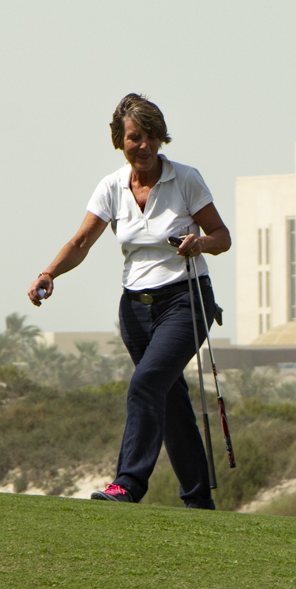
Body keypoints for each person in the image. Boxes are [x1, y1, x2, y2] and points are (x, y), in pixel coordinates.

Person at [28, 94, 231, 507]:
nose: (144, 146)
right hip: (135, 310)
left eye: (151, 136)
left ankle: (129, 483)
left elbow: (222, 237)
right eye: (135, 137)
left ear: (161, 138)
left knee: (145, 384)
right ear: (120, 141)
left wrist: (201, 243)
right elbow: (82, 241)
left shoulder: (186, 179)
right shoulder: (111, 187)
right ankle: (199, 501)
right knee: (168, 397)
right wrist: (49, 273)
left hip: (186, 301)